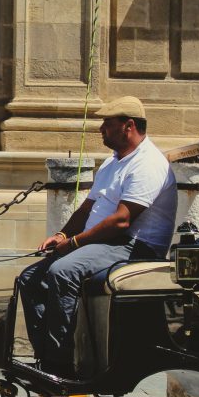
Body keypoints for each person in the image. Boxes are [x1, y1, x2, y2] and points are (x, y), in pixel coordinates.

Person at [17, 96, 177, 376]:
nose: (101, 129)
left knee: (63, 272)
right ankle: (44, 357)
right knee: (30, 278)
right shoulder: (112, 163)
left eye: (107, 123)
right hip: (106, 242)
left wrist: (75, 243)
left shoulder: (148, 163)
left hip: (135, 245)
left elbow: (122, 220)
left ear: (128, 126)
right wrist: (62, 234)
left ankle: (64, 365)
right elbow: (88, 208)